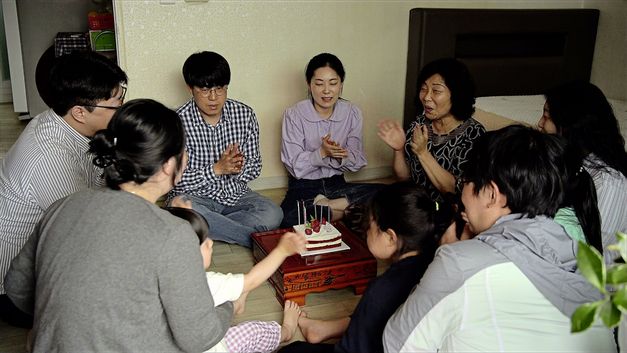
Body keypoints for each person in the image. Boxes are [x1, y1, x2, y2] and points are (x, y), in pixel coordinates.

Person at [4, 99, 233, 352]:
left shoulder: (63, 205)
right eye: (183, 150)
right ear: (168, 165)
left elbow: (16, 286)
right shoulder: (173, 234)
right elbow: (200, 338)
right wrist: (229, 302)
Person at [383, 125, 616, 352]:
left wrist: (447, 258)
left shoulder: (460, 264)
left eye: (464, 182)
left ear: (492, 194)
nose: (461, 192)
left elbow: (399, 345)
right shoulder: (590, 263)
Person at [0, 51, 127, 327]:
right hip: (15, 289)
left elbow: (100, 181)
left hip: (48, 247)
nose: (121, 110)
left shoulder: (61, 123)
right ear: (80, 112)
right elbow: (90, 233)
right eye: (116, 105)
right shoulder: (51, 158)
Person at [278, 182, 456, 353]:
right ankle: (324, 329)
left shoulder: (381, 290)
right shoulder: (434, 265)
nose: (365, 231)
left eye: (369, 225)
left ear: (390, 237)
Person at [169, 51, 282, 248]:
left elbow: (256, 166)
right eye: (205, 90)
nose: (213, 97)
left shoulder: (244, 114)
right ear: (190, 88)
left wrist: (238, 166)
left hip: (235, 195)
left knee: (274, 213)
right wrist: (217, 169)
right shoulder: (176, 121)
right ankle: (255, 241)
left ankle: (211, 228)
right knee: (181, 207)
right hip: (195, 197)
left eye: (220, 89)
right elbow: (174, 180)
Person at [165, 206, 306, 353]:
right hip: (213, 348)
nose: (211, 242)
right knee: (253, 332)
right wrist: (282, 251)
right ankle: (286, 331)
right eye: (204, 241)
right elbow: (252, 280)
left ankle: (237, 300)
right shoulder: (206, 283)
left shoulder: (152, 284)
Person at [279, 53, 382, 227]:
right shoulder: (294, 115)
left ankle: (329, 208)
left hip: (337, 186)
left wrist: (340, 155)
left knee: (387, 193)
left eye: (333, 83)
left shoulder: (352, 113)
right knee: (287, 219)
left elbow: (358, 161)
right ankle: (347, 211)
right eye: (319, 84)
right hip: (303, 187)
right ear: (309, 85)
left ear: (341, 84)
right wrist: (321, 153)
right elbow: (294, 167)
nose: (326, 90)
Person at [538, 81, 627, 264]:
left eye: (547, 117)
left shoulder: (609, 182)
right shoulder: (568, 162)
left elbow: (599, 254)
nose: (540, 123)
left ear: (571, 125)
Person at [378, 57, 485, 202]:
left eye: (436, 91)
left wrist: (423, 153)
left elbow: (454, 191)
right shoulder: (421, 123)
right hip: (415, 204)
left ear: (457, 94)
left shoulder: (474, 135)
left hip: (447, 212)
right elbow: (404, 179)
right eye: (423, 89)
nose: (426, 97)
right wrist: (398, 149)